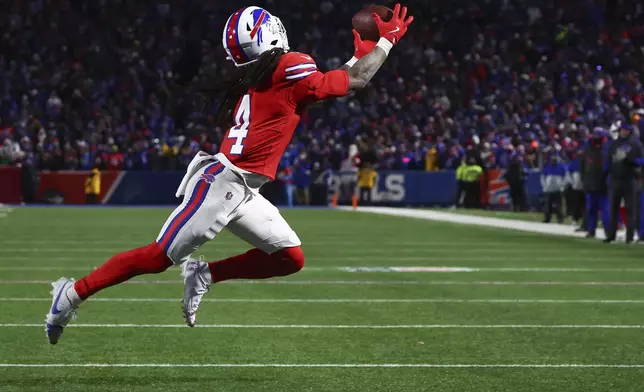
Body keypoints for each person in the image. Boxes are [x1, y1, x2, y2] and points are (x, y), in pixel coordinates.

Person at [44, 4, 414, 344]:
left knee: (290, 258)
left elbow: (330, 85)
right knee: (158, 257)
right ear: (271, 33)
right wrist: (386, 41)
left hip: (243, 188)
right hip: (223, 185)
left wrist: (356, 57)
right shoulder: (288, 66)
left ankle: (205, 274)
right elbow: (354, 83)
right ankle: (72, 292)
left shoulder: (274, 73)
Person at [604, 124, 643, 243]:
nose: (623, 132)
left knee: (630, 209)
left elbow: (641, 160)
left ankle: (629, 236)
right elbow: (609, 160)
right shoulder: (614, 144)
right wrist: (606, 173)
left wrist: (631, 160)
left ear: (630, 131)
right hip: (615, 179)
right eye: (622, 130)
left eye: (625, 130)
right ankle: (611, 235)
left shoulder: (635, 144)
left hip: (629, 179)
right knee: (613, 209)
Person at [580, 129, 610, 238]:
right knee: (591, 210)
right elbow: (582, 168)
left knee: (605, 211)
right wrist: (584, 182)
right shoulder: (587, 150)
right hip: (591, 185)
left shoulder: (607, 150)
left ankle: (608, 231)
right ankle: (591, 230)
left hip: (603, 186)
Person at [541, 154, 566, 223]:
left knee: (558, 205)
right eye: (552, 159)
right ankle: (547, 218)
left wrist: (562, 186)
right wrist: (544, 187)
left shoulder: (561, 167)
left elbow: (565, 178)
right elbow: (543, 177)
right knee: (547, 205)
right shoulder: (547, 166)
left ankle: (560, 218)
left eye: (554, 159)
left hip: (558, 189)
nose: (553, 161)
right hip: (548, 189)